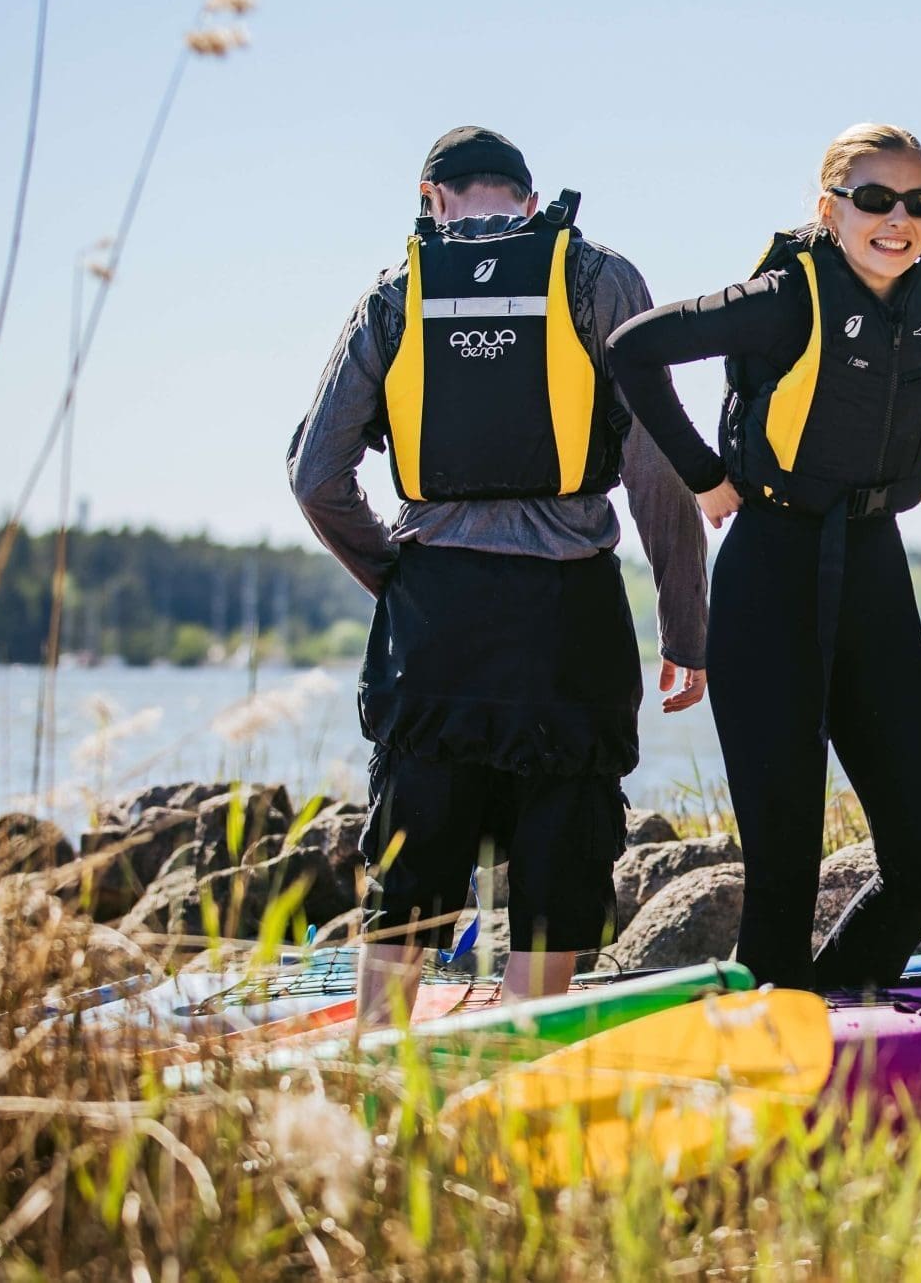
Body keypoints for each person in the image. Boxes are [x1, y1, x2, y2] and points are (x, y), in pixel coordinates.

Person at [289, 125, 708, 1023]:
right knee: (556, 881)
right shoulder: (597, 277)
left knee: (410, 884)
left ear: (431, 198)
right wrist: (684, 625)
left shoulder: (399, 290)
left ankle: (381, 1085)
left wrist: (396, 578)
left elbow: (313, 472)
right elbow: (655, 467)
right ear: (528, 197)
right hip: (570, 623)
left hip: (436, 622)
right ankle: (524, 1071)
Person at [607, 123, 921, 992]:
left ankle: (834, 1010)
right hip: (772, 571)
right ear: (829, 208)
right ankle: (778, 1048)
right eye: (875, 199)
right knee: (783, 878)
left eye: (919, 203)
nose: (899, 220)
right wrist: (704, 477)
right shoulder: (785, 297)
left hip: (875, 573)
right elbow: (633, 349)